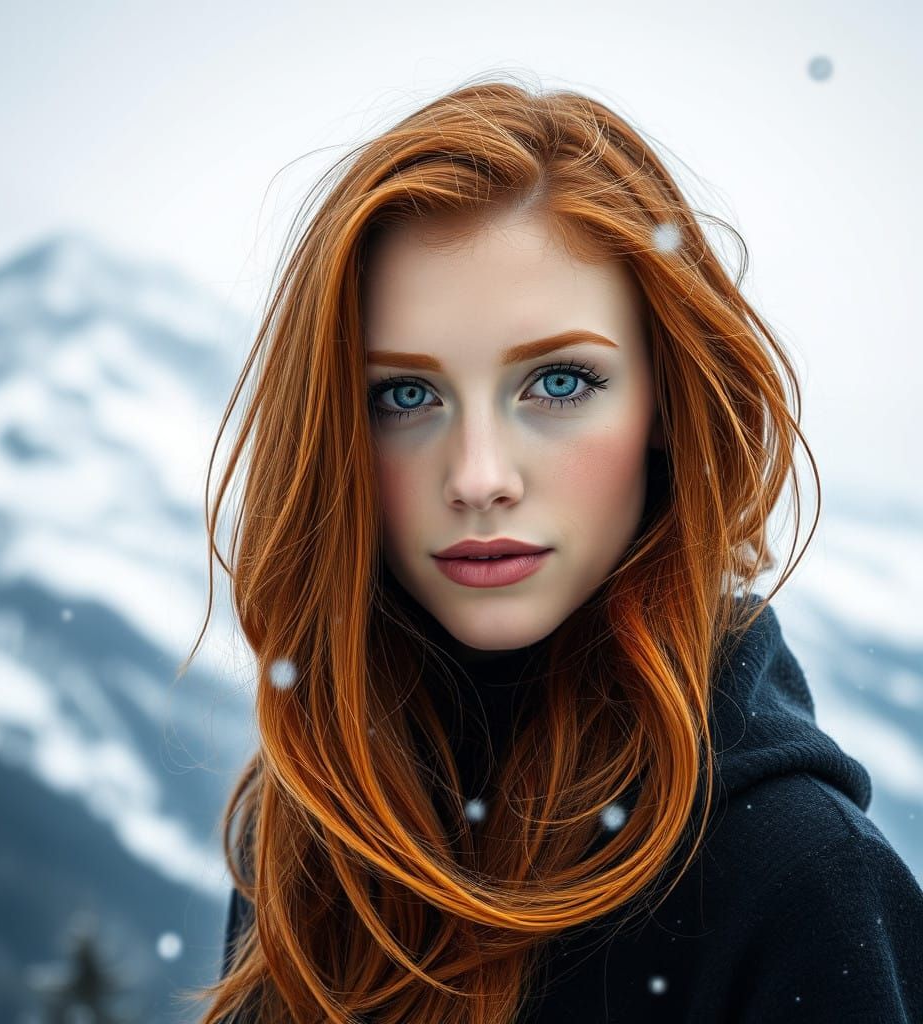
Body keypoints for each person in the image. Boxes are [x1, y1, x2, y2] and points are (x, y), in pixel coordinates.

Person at [179, 76, 923, 1023]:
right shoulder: (315, 838)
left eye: (560, 383)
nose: (479, 476)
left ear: (668, 403)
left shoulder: (799, 884)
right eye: (405, 395)